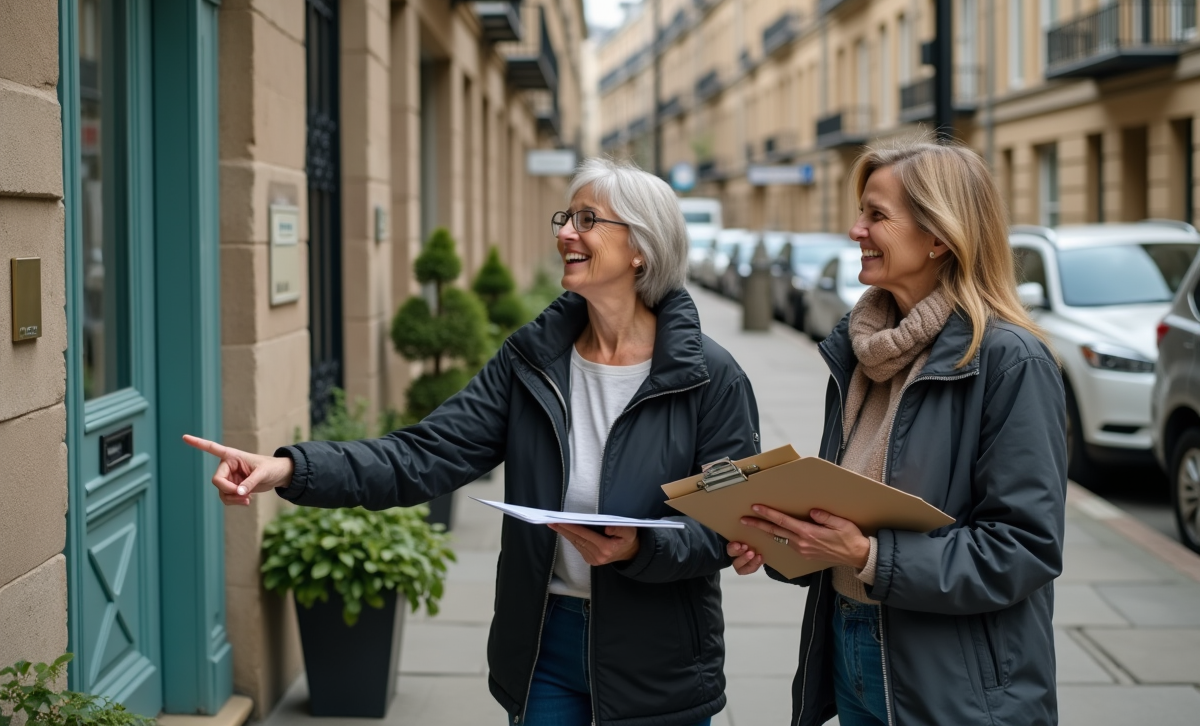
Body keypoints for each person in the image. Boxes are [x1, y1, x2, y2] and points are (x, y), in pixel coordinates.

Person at [186, 157, 760, 726]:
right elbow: (425, 454)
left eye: (586, 220)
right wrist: (291, 469)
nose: (564, 232)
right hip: (544, 644)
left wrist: (640, 549)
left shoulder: (710, 377)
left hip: (659, 656)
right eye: (565, 217)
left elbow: (730, 526)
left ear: (641, 247)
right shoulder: (531, 362)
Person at [726, 139, 1066, 726]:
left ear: (939, 237)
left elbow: (1024, 549)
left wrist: (868, 556)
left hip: (953, 682)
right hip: (853, 648)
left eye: (877, 215)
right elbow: (851, 507)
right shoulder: (866, 351)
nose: (856, 230)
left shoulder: (1010, 360)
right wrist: (782, 539)